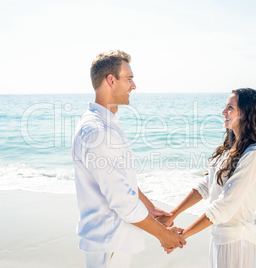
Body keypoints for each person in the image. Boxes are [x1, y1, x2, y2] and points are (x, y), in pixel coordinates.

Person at [72, 50, 186, 268]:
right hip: (108, 244)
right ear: (111, 80)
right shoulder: (95, 131)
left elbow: (121, 179)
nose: (134, 86)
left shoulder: (109, 124)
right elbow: (121, 199)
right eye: (129, 79)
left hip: (114, 243)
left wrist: (149, 208)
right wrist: (163, 235)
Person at [157, 88, 256, 268]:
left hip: (237, 240)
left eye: (230, 108)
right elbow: (207, 185)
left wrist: (182, 236)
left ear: (246, 114)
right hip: (220, 236)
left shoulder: (253, 154)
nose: (223, 112)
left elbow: (224, 206)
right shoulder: (230, 148)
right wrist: (174, 213)